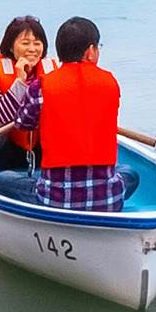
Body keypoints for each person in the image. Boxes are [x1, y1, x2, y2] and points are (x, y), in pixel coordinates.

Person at [31, 15, 124, 207]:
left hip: (54, 201)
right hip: (108, 203)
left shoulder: (41, 85)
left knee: (4, 180)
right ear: (90, 51)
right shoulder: (111, 82)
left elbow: (24, 123)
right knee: (130, 173)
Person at [0, 14, 47, 174]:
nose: (32, 49)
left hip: (42, 151)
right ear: (10, 46)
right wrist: (20, 82)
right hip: (6, 152)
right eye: (25, 43)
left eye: (37, 43)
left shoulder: (51, 71)